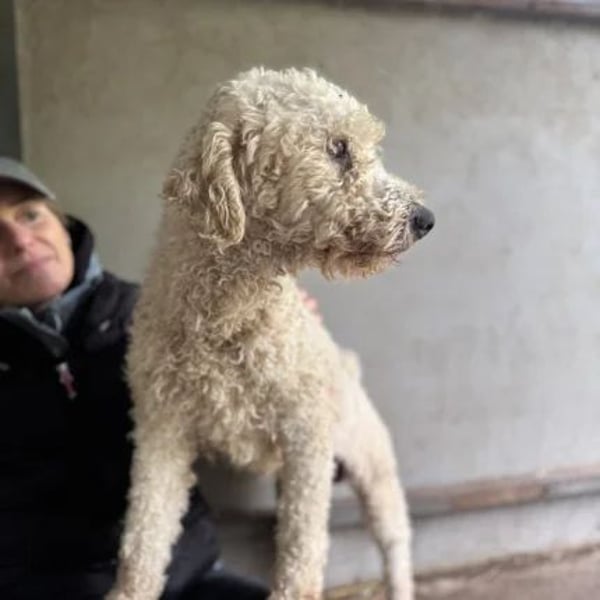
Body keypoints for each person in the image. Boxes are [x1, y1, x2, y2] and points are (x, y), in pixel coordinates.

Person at [0, 157, 270, 600]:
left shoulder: (159, 315)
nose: (20, 241)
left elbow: (259, 436)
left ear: (63, 225)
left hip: (187, 576)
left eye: (30, 214)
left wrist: (274, 361)